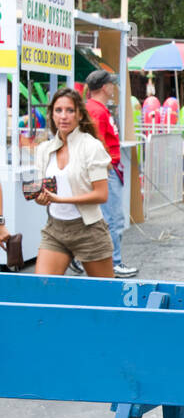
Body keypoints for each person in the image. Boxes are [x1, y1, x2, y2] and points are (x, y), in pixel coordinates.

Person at [32, 87, 115, 277]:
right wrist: (41, 198)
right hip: (55, 229)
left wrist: (61, 199)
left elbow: (101, 195)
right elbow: (43, 191)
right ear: (52, 115)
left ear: (79, 114)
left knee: (104, 296)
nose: (64, 116)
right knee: (42, 291)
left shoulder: (91, 146)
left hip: (88, 229)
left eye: (70, 110)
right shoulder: (45, 149)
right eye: (58, 110)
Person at [84, 70, 138, 278]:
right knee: (112, 218)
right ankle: (114, 262)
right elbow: (96, 142)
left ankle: (104, 260)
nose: (114, 88)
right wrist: (107, 163)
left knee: (107, 218)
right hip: (107, 170)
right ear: (104, 87)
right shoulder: (96, 110)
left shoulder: (96, 109)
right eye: (111, 84)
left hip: (108, 168)